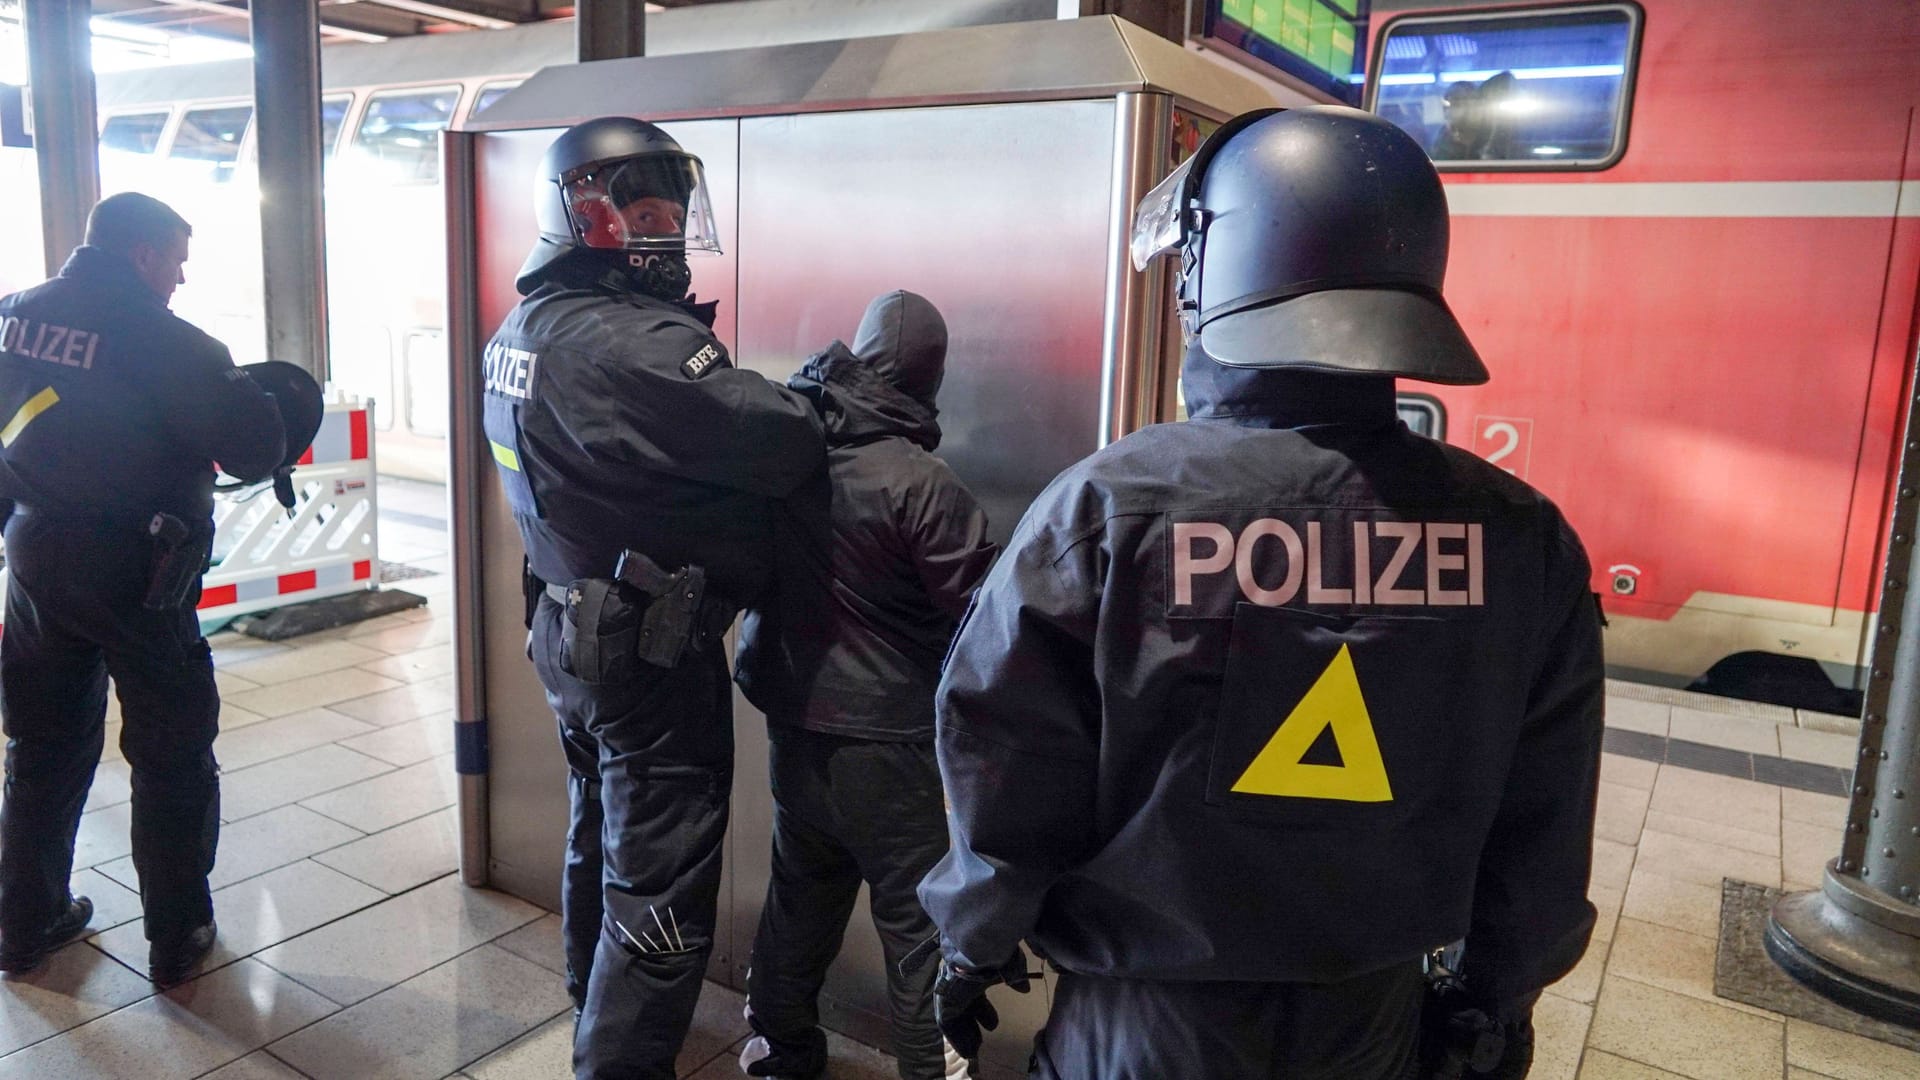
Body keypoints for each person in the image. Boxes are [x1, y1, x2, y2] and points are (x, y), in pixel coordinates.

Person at [918, 106, 1605, 1079]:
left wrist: (971, 948)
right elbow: (1546, 816)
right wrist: (1496, 1000)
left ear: (1215, 271)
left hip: (1141, 1032)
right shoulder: (1521, 539)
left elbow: (1007, 767)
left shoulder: (1107, 509)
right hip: (1375, 1026)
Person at [483, 116, 824, 1080]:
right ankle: (620, 1060)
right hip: (647, 647)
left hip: (569, 626)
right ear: (581, 215)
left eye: (672, 213)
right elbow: (781, 438)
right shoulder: (629, 346)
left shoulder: (524, 328)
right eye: (640, 212)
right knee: (662, 874)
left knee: (600, 822)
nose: (664, 234)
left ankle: (590, 999)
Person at [0, 192, 298, 985]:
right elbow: (255, 448)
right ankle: (177, 932)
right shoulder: (175, 345)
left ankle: (24, 921)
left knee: (42, 745)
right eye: (176, 260)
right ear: (142, 256)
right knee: (169, 752)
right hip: (142, 572)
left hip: (34, 558)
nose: (182, 277)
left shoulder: (10, 315)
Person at [733, 290, 996, 1080]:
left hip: (796, 722)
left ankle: (779, 1050)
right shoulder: (923, 484)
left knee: (801, 892)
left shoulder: (794, 453)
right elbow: (984, 617)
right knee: (919, 928)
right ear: (929, 377)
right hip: (890, 743)